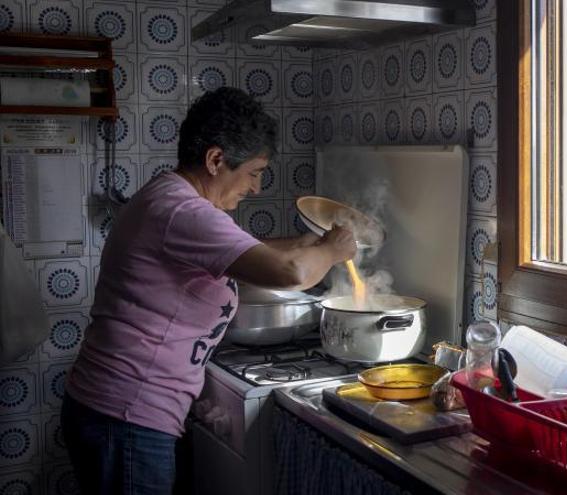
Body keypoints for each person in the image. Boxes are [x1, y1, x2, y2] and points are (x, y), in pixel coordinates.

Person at [61, 87, 356, 494]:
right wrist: (332, 249)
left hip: (117, 409)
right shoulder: (184, 211)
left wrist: (308, 244)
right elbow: (290, 274)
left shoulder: (169, 197)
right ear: (216, 160)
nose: (255, 188)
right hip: (126, 414)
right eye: (253, 172)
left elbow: (243, 255)